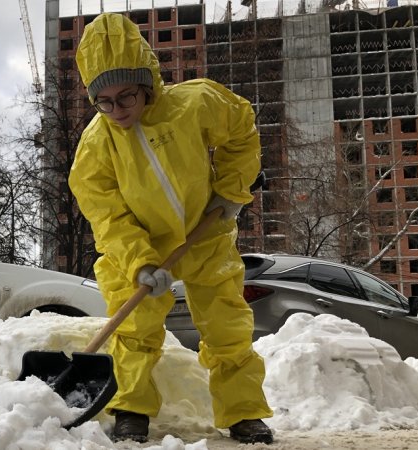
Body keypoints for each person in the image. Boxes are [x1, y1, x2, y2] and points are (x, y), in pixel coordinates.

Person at [69, 13, 274, 444]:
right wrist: (140, 262)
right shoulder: (96, 147)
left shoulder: (193, 104)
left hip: (206, 231)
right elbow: (107, 215)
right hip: (143, 247)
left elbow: (241, 128)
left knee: (227, 327)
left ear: (146, 83)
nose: (117, 111)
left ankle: (243, 413)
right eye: (103, 102)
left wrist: (231, 190)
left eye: (126, 96)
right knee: (134, 330)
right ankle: (131, 410)